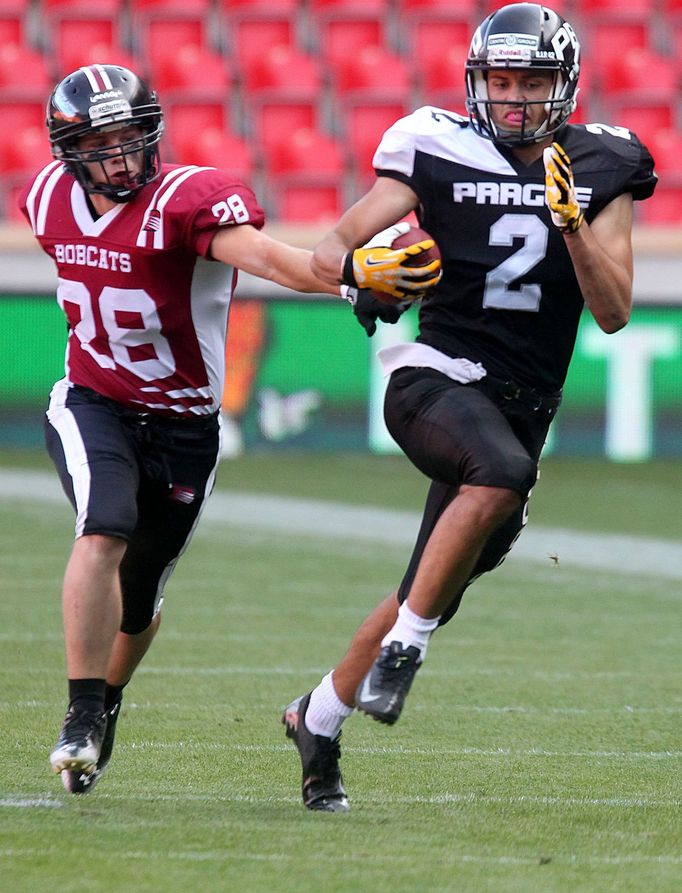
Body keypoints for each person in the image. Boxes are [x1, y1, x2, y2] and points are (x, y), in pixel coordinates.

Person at [18, 62, 442, 795]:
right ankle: (81, 711)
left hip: (185, 427)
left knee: (140, 596)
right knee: (103, 527)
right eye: (101, 142)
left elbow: (271, 259)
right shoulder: (47, 196)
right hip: (94, 401)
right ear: (69, 150)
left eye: (130, 137)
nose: (119, 156)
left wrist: (349, 277)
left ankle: (107, 701)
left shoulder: (186, 201)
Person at [282, 2, 657, 812]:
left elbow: (617, 309)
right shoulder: (434, 142)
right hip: (435, 379)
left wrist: (571, 225)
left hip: (525, 404)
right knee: (500, 474)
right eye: (502, 79)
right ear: (477, 81)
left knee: (432, 582)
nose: (515, 97)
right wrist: (362, 276)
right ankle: (403, 655)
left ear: (566, 87)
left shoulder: (606, 161)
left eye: (532, 81)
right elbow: (329, 247)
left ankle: (317, 717)